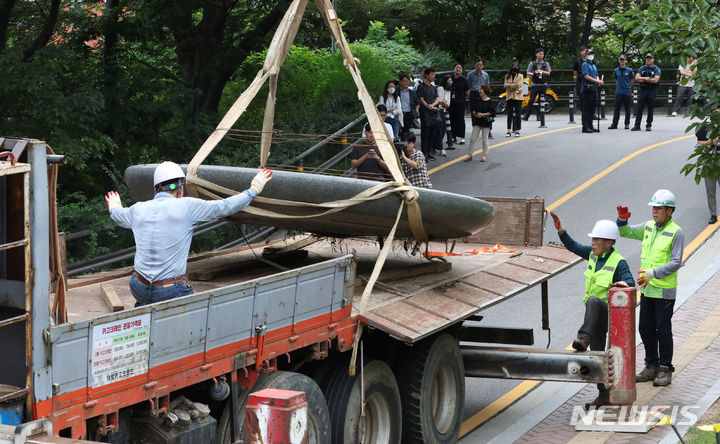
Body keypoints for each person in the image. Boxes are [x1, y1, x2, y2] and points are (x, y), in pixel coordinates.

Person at [105, 162, 273, 306]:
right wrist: (253, 190)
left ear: (156, 190)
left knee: (145, 307)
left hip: (138, 286)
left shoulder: (138, 209)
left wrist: (114, 206)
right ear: (181, 188)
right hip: (168, 291)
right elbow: (225, 206)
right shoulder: (187, 207)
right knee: (195, 315)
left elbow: (117, 215)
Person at [550, 212, 634, 408]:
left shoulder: (618, 262)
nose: (593, 242)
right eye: (593, 239)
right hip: (594, 318)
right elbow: (573, 246)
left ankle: (583, 338)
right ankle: (603, 395)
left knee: (594, 301)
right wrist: (561, 230)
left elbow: (629, 281)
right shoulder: (592, 255)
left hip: (610, 315)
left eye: (597, 239)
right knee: (597, 357)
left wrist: (623, 283)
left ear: (608, 243)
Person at [617, 189, 684, 386]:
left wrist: (654, 273)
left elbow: (676, 262)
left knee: (663, 329)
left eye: (659, 208)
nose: (655, 212)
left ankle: (665, 369)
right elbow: (626, 232)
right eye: (653, 208)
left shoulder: (676, 232)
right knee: (645, 328)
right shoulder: (648, 227)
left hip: (664, 291)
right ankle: (651, 366)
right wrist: (622, 221)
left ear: (669, 211)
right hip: (647, 290)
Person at [695, 117, 720, 224]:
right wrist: (709, 142)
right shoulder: (705, 127)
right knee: (710, 189)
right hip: (709, 161)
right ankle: (713, 214)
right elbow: (699, 141)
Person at [631, 53, 661, 131]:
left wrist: (645, 80)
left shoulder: (656, 69)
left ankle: (648, 125)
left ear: (653, 59)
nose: (648, 59)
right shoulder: (642, 68)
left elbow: (656, 80)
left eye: (650, 58)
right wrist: (646, 78)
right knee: (639, 108)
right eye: (647, 58)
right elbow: (637, 77)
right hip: (643, 90)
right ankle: (637, 125)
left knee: (650, 108)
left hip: (652, 90)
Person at [465, 84, 495, 163]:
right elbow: (473, 109)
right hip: (477, 122)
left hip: (486, 122)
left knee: (485, 139)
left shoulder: (490, 101)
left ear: (485, 91)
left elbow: (492, 113)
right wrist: (475, 114)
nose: (479, 91)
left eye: (481, 89)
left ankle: (484, 155)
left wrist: (483, 114)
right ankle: (469, 154)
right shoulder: (477, 100)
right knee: (473, 139)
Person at [416, 67, 440, 161]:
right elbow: (420, 98)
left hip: (433, 112)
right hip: (425, 113)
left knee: (432, 134)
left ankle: (429, 152)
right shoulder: (421, 86)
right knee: (425, 134)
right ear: (427, 75)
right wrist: (427, 105)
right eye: (432, 74)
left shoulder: (434, 87)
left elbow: (437, 98)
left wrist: (433, 105)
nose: (433, 76)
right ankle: (424, 153)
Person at [523, 48, 551, 120]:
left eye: (542, 54)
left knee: (541, 100)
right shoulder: (532, 63)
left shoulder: (546, 64)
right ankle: (526, 115)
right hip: (534, 84)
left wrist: (542, 71)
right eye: (540, 54)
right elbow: (528, 72)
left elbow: (548, 73)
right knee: (531, 100)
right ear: (536, 54)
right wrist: (534, 74)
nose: (541, 55)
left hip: (543, 84)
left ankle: (539, 116)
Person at [608, 54, 634, 130]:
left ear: (626, 61)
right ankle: (614, 124)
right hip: (619, 92)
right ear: (619, 61)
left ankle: (627, 124)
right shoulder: (616, 70)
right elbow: (616, 80)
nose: (622, 61)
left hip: (627, 92)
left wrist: (628, 87)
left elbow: (632, 80)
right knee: (617, 109)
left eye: (623, 60)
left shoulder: (629, 70)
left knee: (627, 109)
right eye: (621, 60)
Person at [581, 49, 603, 133]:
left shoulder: (593, 65)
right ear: (586, 55)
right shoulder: (585, 64)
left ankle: (590, 125)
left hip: (593, 88)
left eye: (592, 54)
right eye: (589, 54)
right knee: (586, 108)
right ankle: (585, 127)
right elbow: (586, 76)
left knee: (592, 109)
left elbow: (597, 75)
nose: (591, 55)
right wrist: (597, 81)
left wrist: (599, 81)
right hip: (587, 89)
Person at [450, 64, 469, 145]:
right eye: (456, 67)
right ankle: (453, 136)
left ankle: (462, 137)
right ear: (454, 69)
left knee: (460, 119)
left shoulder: (464, 80)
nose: (458, 69)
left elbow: (467, 92)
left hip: (460, 102)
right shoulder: (450, 79)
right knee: (452, 119)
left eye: (460, 68)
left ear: (462, 70)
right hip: (451, 102)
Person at [504, 61, 523, 137]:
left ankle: (518, 130)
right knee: (509, 114)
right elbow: (505, 85)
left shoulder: (520, 76)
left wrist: (510, 86)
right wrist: (513, 86)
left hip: (518, 97)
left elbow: (519, 85)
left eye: (516, 66)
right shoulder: (507, 76)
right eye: (513, 66)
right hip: (509, 97)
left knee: (518, 114)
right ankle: (509, 130)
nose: (515, 67)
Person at [436, 75, 453, 156]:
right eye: (449, 80)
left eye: (451, 81)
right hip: (439, 110)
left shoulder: (448, 91)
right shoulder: (440, 88)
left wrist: (444, 102)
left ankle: (437, 146)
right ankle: (440, 148)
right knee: (440, 130)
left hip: (445, 110)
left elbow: (448, 104)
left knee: (443, 130)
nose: (450, 82)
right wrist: (444, 102)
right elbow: (439, 100)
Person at [573, 45, 588, 113]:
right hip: (581, 80)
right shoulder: (578, 61)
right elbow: (575, 70)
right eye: (582, 51)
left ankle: (591, 112)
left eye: (585, 51)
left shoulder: (590, 60)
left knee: (590, 96)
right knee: (581, 95)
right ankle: (583, 110)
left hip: (589, 80)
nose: (583, 52)